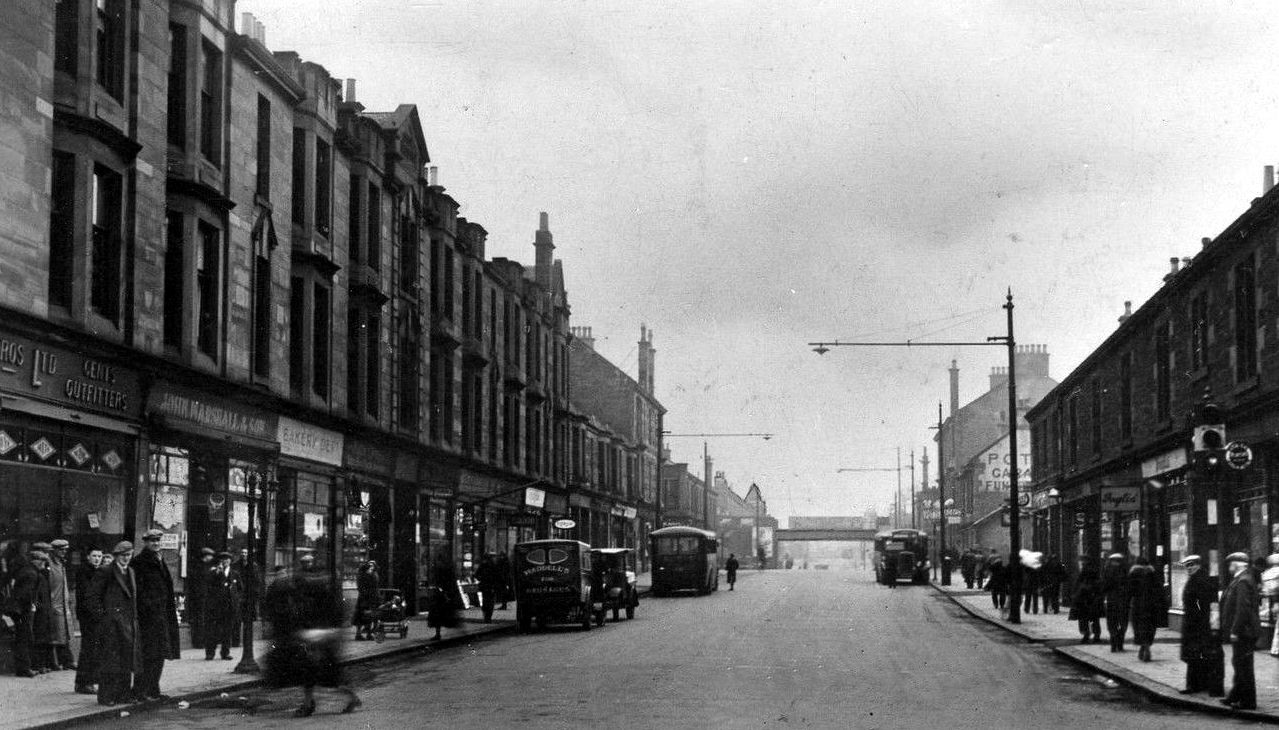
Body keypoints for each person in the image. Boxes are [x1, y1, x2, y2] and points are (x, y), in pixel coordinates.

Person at [263, 554, 360, 716]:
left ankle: (316, 703)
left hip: (320, 637)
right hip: (319, 636)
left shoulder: (317, 592)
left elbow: (326, 615)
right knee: (316, 673)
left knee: (320, 674)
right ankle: (312, 703)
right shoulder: (319, 590)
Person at [86, 541, 139, 707]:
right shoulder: (106, 571)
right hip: (111, 624)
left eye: (128, 555)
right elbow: (92, 597)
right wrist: (104, 617)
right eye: (123, 556)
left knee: (126, 660)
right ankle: (106, 696)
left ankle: (123, 694)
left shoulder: (130, 571)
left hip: (127, 623)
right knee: (110, 661)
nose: (126, 559)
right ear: (116, 556)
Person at [130, 530, 179, 701]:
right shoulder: (139, 562)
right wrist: (149, 607)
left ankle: (153, 689)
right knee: (147, 655)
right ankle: (141, 690)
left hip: (162, 616)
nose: (156, 543)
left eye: (158, 540)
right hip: (148, 618)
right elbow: (139, 591)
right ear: (145, 542)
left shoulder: (160, 560)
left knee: (159, 654)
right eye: (152, 541)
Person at [1178, 555, 1223, 697]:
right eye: (1187, 566)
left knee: (1199, 655)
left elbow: (1210, 604)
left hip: (1200, 625)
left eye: (1192, 565)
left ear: (1198, 565)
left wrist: (1213, 624)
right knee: (1195, 655)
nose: (1189, 568)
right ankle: (1196, 684)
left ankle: (1197, 685)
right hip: (1194, 624)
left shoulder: (1202, 581)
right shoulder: (1194, 580)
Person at [1220, 551, 1259, 711]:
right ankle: (1235, 696)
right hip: (1245, 631)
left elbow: (1242, 609)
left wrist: (1235, 630)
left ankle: (1248, 702)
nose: (1229, 566)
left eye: (1231, 563)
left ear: (1238, 564)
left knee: (1243, 666)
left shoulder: (1243, 581)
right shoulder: (1240, 580)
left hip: (1244, 631)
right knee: (1239, 664)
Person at [6, 544, 41, 677]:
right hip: (22, 610)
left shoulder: (26, 571)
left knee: (22, 637)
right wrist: (31, 605)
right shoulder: (31, 574)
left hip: (18, 609)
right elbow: (26, 594)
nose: (44, 565)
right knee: (24, 637)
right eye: (42, 562)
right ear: (36, 561)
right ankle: (24, 668)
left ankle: (23, 667)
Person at [74, 547, 104, 694]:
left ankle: (89, 681)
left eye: (99, 556)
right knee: (89, 649)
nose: (97, 558)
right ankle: (84, 682)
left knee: (94, 649)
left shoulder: (98, 571)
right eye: (94, 555)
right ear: (88, 557)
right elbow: (88, 596)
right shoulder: (84, 572)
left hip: (96, 616)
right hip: (89, 617)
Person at [204, 551, 242, 660]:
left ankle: (225, 653)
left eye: (227, 559)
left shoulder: (235, 574)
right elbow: (209, 586)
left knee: (227, 631)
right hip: (216, 607)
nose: (225, 561)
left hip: (229, 607)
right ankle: (210, 653)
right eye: (223, 559)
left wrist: (236, 599)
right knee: (213, 631)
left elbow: (240, 589)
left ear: (230, 561)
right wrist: (217, 573)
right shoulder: (214, 572)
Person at [1127, 555, 1164, 662]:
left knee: (1138, 626)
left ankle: (1143, 646)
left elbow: (1129, 590)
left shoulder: (1133, 574)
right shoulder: (1152, 573)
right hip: (1151, 606)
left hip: (1138, 605)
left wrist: (1127, 602)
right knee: (1150, 626)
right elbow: (1159, 590)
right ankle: (1146, 646)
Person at [46, 539, 76, 671]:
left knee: (64, 634)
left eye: (65, 550)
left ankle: (66, 660)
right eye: (61, 550)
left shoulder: (62, 564)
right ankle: (55, 661)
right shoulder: (50, 564)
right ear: (54, 551)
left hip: (63, 603)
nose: (64, 552)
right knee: (55, 635)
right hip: (54, 603)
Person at [29, 545, 54, 673]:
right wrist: (39, 606)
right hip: (40, 610)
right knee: (39, 638)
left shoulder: (42, 574)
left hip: (44, 608)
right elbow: (35, 594)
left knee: (43, 637)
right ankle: (38, 664)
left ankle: (42, 664)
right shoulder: (36, 575)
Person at [1069, 556, 1103, 644]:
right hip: (1092, 597)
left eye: (1082, 561)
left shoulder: (1085, 570)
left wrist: (1075, 594)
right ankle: (1096, 635)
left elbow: (1078, 583)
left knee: (1084, 618)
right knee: (1094, 618)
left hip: (1084, 598)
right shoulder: (1094, 570)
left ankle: (1086, 635)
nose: (1081, 562)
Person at [1100, 553, 1130, 652]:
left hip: (1111, 600)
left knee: (1112, 622)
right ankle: (1120, 643)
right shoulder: (1125, 570)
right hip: (1123, 600)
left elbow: (1104, 585)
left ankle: (1113, 643)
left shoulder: (1107, 570)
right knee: (1123, 622)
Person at [427, 553, 460, 640]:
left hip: (441, 596)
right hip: (443, 596)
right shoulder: (445, 570)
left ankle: (438, 633)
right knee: (441, 616)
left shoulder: (442, 571)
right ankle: (439, 633)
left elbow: (440, 583)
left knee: (439, 615)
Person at [187, 547, 215, 649]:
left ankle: (201, 641)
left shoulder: (202, 566)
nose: (211, 558)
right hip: (201, 596)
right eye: (210, 555)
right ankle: (199, 642)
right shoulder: (201, 568)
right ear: (206, 556)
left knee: (202, 618)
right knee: (201, 619)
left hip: (203, 596)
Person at [354, 560, 380, 639]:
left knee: (362, 616)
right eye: (369, 567)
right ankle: (367, 634)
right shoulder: (369, 575)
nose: (370, 568)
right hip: (368, 598)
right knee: (367, 615)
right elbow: (371, 587)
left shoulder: (362, 575)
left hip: (364, 598)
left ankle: (361, 634)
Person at [475, 555, 501, 624]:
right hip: (491, 587)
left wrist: (481, 579)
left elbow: (476, 575)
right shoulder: (493, 566)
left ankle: (486, 617)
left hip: (484, 586)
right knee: (490, 603)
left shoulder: (483, 565)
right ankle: (488, 617)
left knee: (485, 601)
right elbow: (497, 577)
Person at [1262, 554, 1279, 657]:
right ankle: (1276, 649)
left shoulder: (1266, 573)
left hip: (1273, 601)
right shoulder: (1277, 572)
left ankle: (1275, 648)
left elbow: (1267, 590)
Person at [1021, 550, 1042, 615]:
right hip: (1035, 582)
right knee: (1035, 597)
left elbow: (1024, 570)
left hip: (1029, 582)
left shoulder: (1028, 565)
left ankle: (1027, 609)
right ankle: (1035, 610)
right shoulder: (1036, 565)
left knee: (1028, 596)